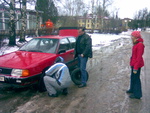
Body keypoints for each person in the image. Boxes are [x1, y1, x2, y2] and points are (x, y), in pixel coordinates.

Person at [126, 31, 145, 99]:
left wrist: (136, 67)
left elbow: (139, 57)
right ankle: (132, 89)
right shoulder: (136, 43)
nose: (131, 37)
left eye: (132, 36)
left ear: (136, 37)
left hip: (137, 65)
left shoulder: (140, 45)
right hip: (134, 64)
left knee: (136, 78)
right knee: (133, 77)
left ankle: (137, 94)